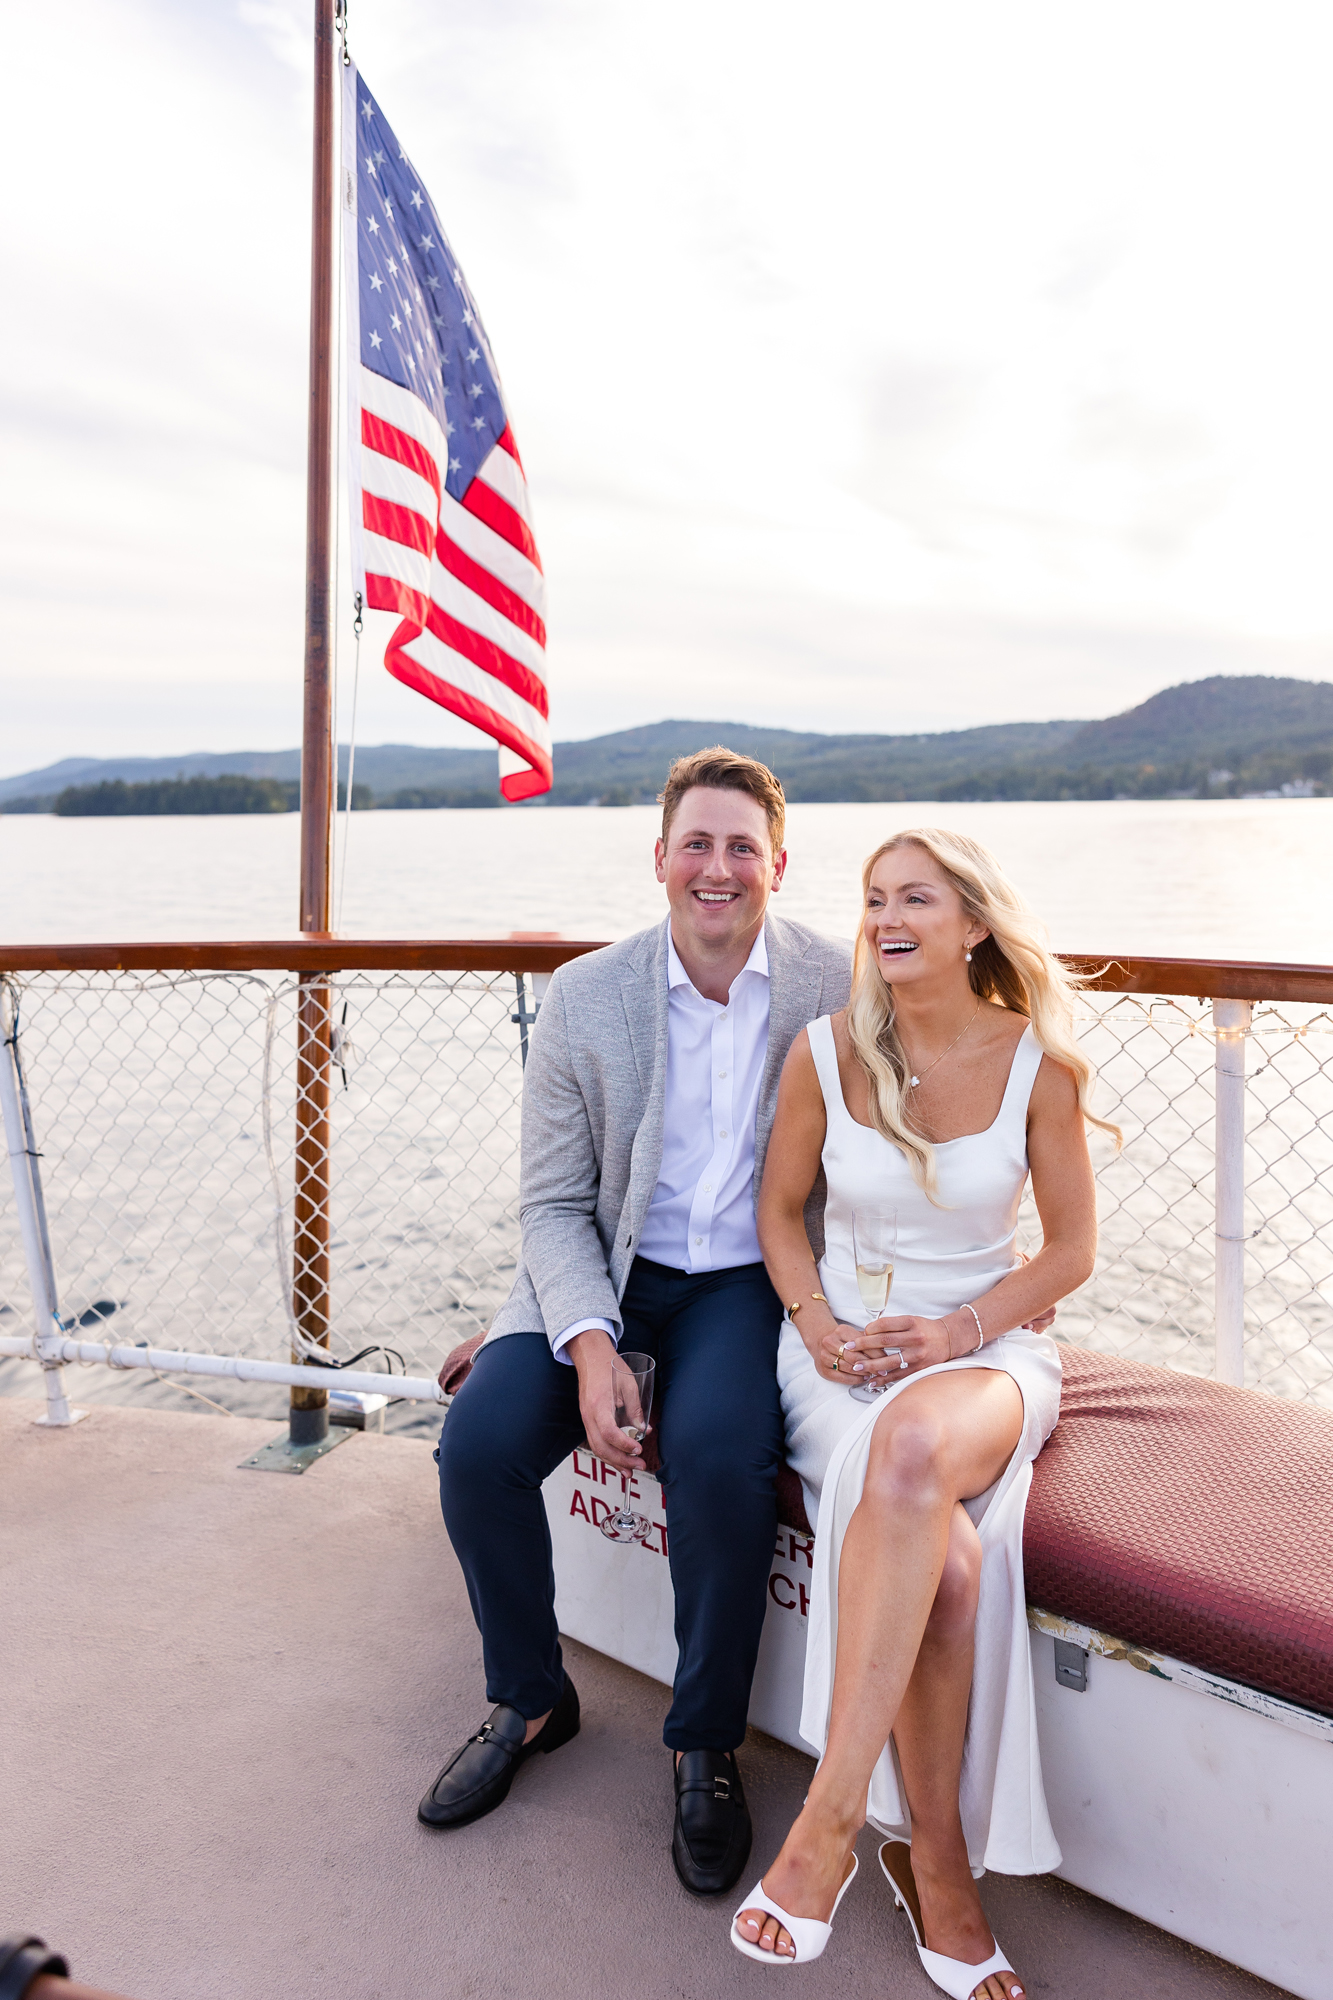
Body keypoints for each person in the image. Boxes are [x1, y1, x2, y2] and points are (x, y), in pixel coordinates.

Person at [425, 748, 852, 1896]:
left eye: (741, 847)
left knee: (719, 1460)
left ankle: (703, 1742)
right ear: (659, 857)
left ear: (777, 864)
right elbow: (554, 1202)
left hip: (741, 1281)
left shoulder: (835, 984)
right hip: (604, 1271)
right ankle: (528, 1697)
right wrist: (591, 1340)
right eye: (696, 844)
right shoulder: (585, 992)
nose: (718, 869)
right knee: (476, 1444)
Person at [731, 828, 1112, 2000]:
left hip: (987, 1354)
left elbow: (1074, 1251)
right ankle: (938, 1865)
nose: (887, 917)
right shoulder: (822, 1050)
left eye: (916, 899)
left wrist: (961, 1329)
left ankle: (831, 1819)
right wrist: (810, 1322)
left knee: (912, 1448)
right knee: (944, 1563)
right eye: (873, 898)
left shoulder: (1037, 1063)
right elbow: (780, 1214)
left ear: (973, 924)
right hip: (836, 1357)